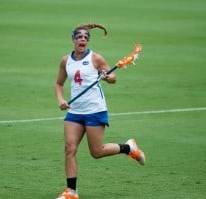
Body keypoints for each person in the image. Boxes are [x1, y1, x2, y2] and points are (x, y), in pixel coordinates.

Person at [54, 23, 145, 199]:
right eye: (79, 37)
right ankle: (71, 192)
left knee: (96, 152)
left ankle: (128, 148)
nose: (83, 40)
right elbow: (58, 83)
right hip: (75, 112)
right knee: (69, 148)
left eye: (86, 38)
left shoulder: (96, 58)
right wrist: (61, 99)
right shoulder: (66, 61)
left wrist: (106, 76)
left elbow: (113, 78)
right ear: (72, 39)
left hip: (95, 110)